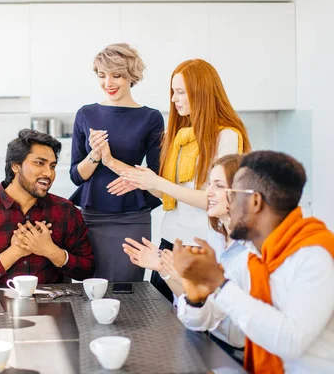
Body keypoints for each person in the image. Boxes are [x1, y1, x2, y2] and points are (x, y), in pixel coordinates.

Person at [174, 151, 334, 373]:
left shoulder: (315, 256)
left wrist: (219, 283)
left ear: (255, 201)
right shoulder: (253, 258)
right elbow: (203, 320)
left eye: (232, 194)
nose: (230, 204)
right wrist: (196, 297)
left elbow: (291, 342)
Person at [108, 59, 251, 302]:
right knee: (164, 319)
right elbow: (170, 194)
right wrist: (147, 183)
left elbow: (216, 201)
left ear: (202, 93)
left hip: (200, 244)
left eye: (180, 92)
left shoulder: (226, 135)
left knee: (197, 322)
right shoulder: (179, 138)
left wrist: (158, 183)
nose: (174, 99)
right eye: (173, 92)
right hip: (170, 241)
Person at [123, 154, 248, 362]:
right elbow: (195, 303)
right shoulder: (215, 238)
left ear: (243, 192)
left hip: (236, 355)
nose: (208, 193)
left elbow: (233, 327)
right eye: (209, 184)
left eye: (218, 185)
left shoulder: (251, 252)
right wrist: (163, 269)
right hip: (210, 341)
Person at [69, 43, 164, 282]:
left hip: (132, 216)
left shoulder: (150, 118)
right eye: (102, 76)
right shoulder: (85, 114)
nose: (108, 83)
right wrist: (95, 156)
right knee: (91, 287)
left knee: (128, 287)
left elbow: (156, 179)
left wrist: (111, 161)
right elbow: (76, 175)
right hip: (92, 215)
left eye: (116, 75)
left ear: (131, 76)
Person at [0, 129, 94, 286]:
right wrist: (15, 252)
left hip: (54, 307)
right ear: (15, 166)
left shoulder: (66, 211)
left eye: (52, 166)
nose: (49, 173)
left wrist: (52, 251)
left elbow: (87, 270)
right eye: (39, 163)